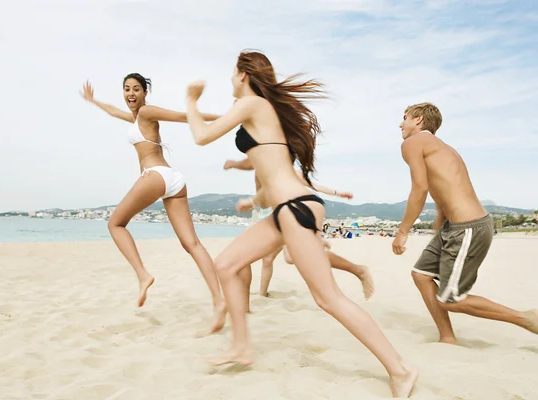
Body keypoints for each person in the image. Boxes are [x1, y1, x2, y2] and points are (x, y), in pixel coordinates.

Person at [185, 50, 417, 398]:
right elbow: (268, 182)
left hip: (296, 208)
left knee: (328, 298)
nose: (231, 80)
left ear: (244, 75)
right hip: (285, 210)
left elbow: (201, 136)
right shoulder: (262, 113)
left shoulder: (251, 104)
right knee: (227, 265)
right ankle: (241, 346)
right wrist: (254, 199)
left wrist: (190, 101)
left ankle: (400, 370)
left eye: (233, 74)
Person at [80, 75, 227, 333]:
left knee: (116, 224)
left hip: (155, 175)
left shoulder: (147, 111)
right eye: (126, 89)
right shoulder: (136, 118)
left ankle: (142, 275)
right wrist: (94, 102)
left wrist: (224, 117)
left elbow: (183, 116)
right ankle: (219, 300)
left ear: (145, 92)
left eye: (136, 89)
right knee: (191, 243)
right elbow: (116, 112)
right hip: (173, 181)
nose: (130, 93)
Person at [393, 102, 538, 344]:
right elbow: (444, 190)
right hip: (457, 227)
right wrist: (439, 226)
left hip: (468, 227)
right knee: (421, 275)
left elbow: (420, 188)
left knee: (451, 300)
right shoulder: (444, 149)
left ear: (418, 120)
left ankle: (526, 318)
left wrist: (402, 231)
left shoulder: (413, 143)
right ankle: (447, 337)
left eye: (405, 117)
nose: (401, 124)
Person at [224, 157, 374, 299]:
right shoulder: (262, 167)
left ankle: (357, 269)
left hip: (286, 215)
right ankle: (262, 294)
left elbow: (314, 185)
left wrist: (337, 193)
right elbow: (252, 163)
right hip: (266, 215)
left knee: (292, 257)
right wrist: (235, 165)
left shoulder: (288, 172)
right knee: (267, 259)